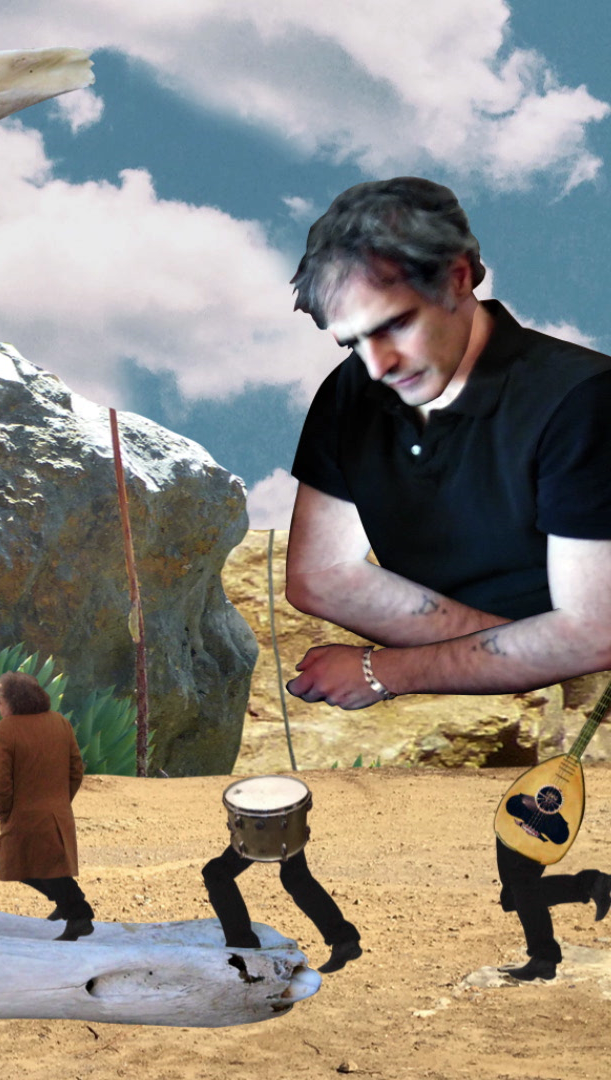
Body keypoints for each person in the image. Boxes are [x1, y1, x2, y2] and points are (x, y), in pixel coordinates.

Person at [282, 176, 611, 980]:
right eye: (351, 342)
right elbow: (318, 578)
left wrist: (383, 670)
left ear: (459, 278)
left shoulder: (581, 398)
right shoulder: (352, 393)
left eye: (394, 324)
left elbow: (591, 632)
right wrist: (531, 649)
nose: (377, 364)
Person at [0, 671, 95, 941]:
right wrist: (60, 801)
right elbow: (76, 769)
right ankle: (68, 902)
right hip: (57, 813)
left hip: (24, 816)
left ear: (13, 702)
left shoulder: (6, 729)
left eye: (1, 702)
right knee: (45, 865)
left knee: (13, 860)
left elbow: (0, 781)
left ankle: (78, 914)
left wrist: (5, 814)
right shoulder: (60, 722)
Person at [200, 808, 362, 974]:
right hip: (287, 816)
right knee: (295, 877)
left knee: (216, 874)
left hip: (262, 821)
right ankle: (345, 940)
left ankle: (245, 950)